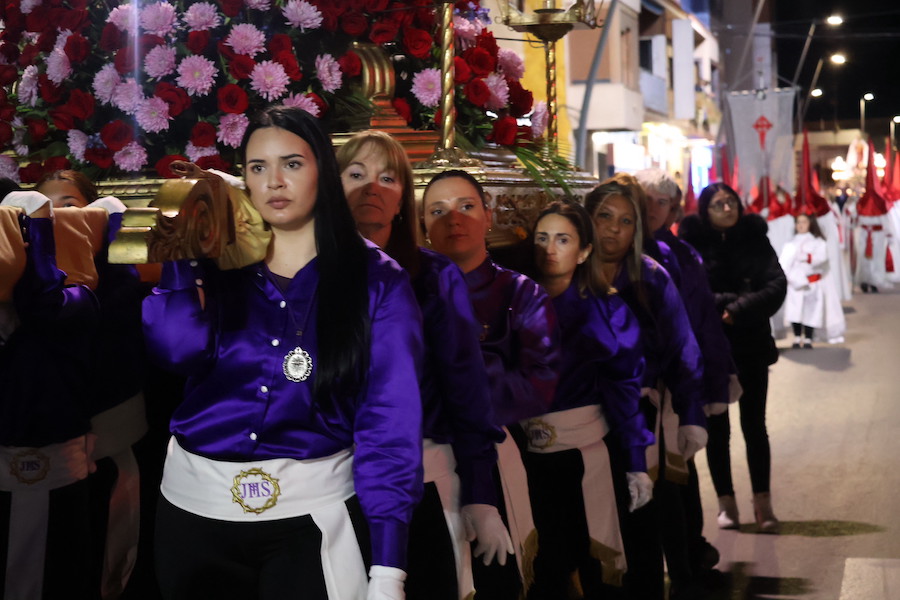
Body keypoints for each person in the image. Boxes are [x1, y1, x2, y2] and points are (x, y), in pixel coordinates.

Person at [143, 106, 424, 600]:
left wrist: (388, 569)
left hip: (311, 523)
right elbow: (176, 353)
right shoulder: (214, 263)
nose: (274, 181)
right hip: (193, 516)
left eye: (292, 164)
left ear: (323, 171)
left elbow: (389, 425)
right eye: (257, 167)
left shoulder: (377, 279)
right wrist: (180, 259)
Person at [336, 131, 508, 600]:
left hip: (421, 484)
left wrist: (480, 490)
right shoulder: (308, 271)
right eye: (356, 175)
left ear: (402, 202)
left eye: (387, 178)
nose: (371, 187)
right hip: (328, 491)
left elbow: (466, 387)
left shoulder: (433, 276)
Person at [421, 169, 560, 600]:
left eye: (465, 206)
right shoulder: (404, 292)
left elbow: (539, 382)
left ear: (488, 213)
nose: (453, 219)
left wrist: (459, 402)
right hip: (424, 464)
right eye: (437, 211)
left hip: (499, 452)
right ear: (422, 225)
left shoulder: (520, 293)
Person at [584, 176, 707, 600]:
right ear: (588, 219)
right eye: (604, 217)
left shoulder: (651, 277)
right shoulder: (565, 272)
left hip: (638, 422)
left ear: (638, 229)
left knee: (641, 528)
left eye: (626, 221)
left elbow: (682, 348)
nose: (613, 229)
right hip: (582, 428)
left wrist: (691, 415)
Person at [525, 200, 653, 599]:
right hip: (529, 457)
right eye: (542, 238)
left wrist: (635, 461)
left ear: (583, 251)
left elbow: (624, 387)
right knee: (544, 571)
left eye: (562, 239)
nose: (550, 249)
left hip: (587, 456)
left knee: (596, 567)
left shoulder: (606, 310)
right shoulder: (516, 302)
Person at [36, 170, 150, 599]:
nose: (57, 216)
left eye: (69, 203)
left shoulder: (116, 272)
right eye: (44, 207)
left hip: (110, 427)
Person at [635, 167, 737, 580]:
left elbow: (701, 323)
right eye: (645, 198)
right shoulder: (620, 250)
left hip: (675, 384)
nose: (652, 208)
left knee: (680, 477)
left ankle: (689, 560)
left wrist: (712, 379)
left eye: (662, 201)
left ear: (675, 208)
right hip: (641, 388)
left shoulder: (681, 256)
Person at [0, 189, 99, 600]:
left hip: (45, 462)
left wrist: (42, 226)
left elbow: (43, 304)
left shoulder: (82, 293)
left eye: (67, 208)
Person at [679, 182, 787, 534]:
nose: (728, 208)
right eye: (719, 204)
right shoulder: (693, 246)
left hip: (752, 346)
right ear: (705, 211)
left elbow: (775, 284)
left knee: (755, 426)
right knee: (719, 429)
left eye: (732, 202)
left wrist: (738, 309)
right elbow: (692, 291)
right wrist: (727, 304)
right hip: (714, 350)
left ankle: (763, 502)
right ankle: (726, 502)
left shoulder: (756, 239)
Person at [779, 213, 828, 349]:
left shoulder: (818, 242)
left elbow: (821, 258)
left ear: (810, 223)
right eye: (798, 222)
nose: (801, 225)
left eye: (804, 222)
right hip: (795, 284)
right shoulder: (790, 244)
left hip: (812, 283)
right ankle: (796, 336)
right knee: (795, 311)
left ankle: (808, 338)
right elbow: (783, 264)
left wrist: (806, 257)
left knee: (811, 311)